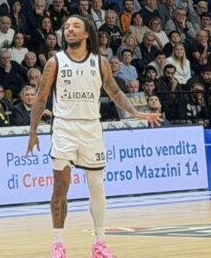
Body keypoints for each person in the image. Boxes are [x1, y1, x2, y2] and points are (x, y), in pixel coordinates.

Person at [26, 15, 162, 258]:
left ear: (87, 33)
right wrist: (33, 132)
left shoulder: (100, 62)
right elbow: (40, 99)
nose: (69, 30)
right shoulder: (55, 62)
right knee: (60, 187)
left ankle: (100, 244)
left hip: (91, 128)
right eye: (66, 27)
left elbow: (115, 92)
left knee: (97, 186)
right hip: (64, 128)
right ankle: (58, 244)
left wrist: (136, 113)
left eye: (75, 26)